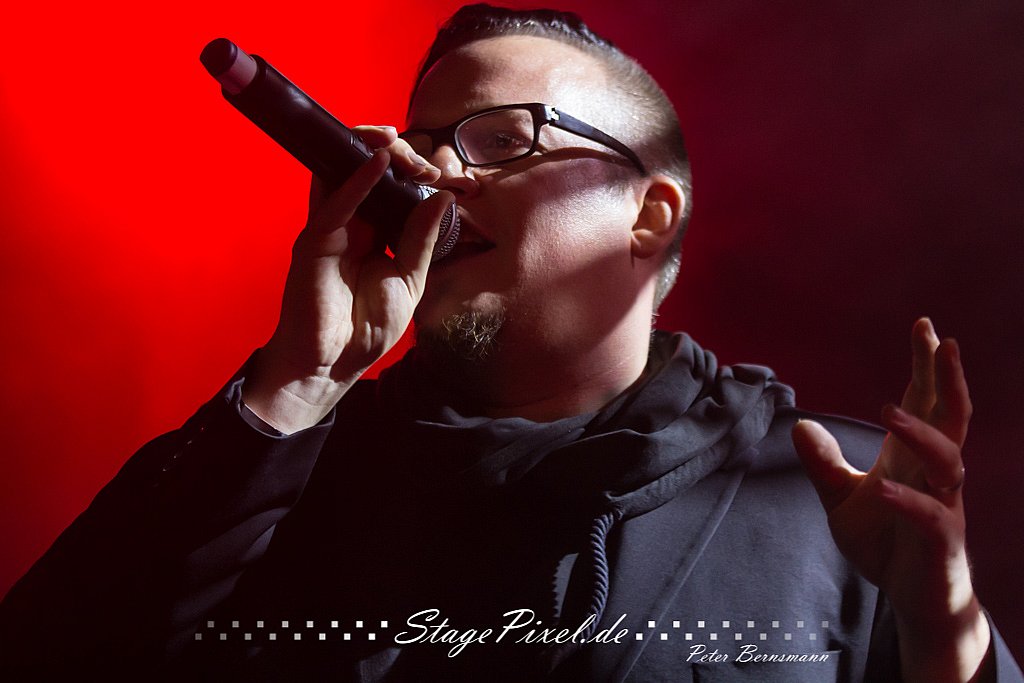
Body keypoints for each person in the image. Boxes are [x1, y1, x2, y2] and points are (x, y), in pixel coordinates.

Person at [0, 4, 1020, 682]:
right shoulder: (285, 470)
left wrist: (942, 634)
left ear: (649, 214)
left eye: (498, 140)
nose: (437, 176)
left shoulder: (831, 490)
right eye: (420, 147)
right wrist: (299, 383)